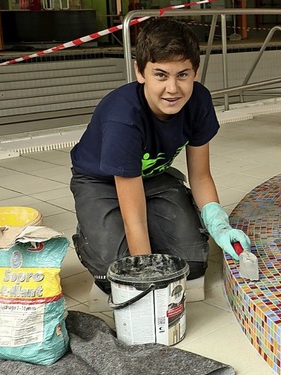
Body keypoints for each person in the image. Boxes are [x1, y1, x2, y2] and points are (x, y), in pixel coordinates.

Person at [69, 17, 250, 300]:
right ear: (140, 72)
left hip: (154, 177)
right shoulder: (123, 118)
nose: (173, 89)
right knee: (114, 273)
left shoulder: (199, 102)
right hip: (100, 182)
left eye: (183, 75)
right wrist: (146, 274)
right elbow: (134, 218)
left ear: (196, 72)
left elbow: (201, 175)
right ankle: (90, 231)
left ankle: (159, 225)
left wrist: (220, 224)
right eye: (161, 75)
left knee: (192, 263)